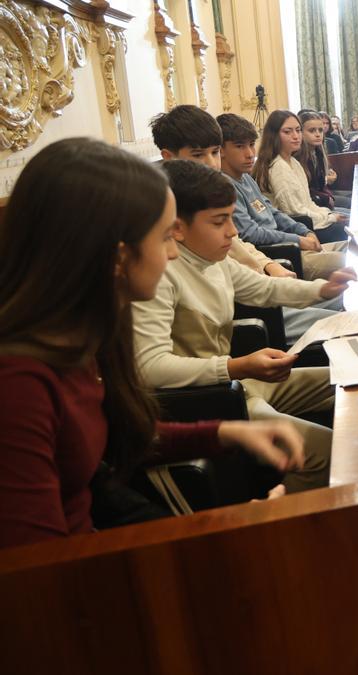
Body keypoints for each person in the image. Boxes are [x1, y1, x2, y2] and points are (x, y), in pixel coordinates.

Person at [0, 138, 308, 548]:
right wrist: (232, 531)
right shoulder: (19, 384)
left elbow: (120, 437)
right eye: (165, 237)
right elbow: (41, 577)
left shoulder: (86, 339)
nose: (173, 255)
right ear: (116, 256)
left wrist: (226, 433)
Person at [134, 160, 356, 494]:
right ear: (178, 228)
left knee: (350, 377)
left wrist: (321, 290)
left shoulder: (213, 257)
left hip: (237, 383)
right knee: (322, 450)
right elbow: (150, 367)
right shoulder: (159, 275)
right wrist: (236, 366)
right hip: (206, 401)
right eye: (219, 221)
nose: (233, 231)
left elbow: (264, 288)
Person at [149, 104, 291, 281]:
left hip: (256, 276)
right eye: (198, 155)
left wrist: (267, 264)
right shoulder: (170, 208)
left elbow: (236, 243)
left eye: (215, 152)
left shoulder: (207, 191)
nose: (212, 164)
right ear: (169, 157)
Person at [218, 113, 347, 281]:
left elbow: (273, 212)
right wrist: (298, 240)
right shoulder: (225, 187)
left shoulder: (246, 178)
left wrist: (304, 231)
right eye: (240, 146)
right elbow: (250, 233)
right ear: (221, 151)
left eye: (251, 145)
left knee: (356, 245)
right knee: (354, 260)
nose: (250, 153)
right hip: (278, 252)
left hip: (290, 241)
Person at [253, 110, 347, 241]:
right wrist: (330, 218)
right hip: (296, 229)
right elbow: (294, 212)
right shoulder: (278, 166)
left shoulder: (293, 162)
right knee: (347, 230)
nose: (296, 136)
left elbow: (308, 203)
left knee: (348, 221)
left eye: (298, 130)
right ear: (274, 135)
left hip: (307, 222)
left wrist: (329, 214)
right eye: (287, 132)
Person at [297, 110, 340, 210]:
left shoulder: (317, 152)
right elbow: (307, 191)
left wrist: (329, 197)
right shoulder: (299, 157)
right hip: (312, 207)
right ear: (301, 132)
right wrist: (327, 198)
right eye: (312, 130)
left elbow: (321, 185)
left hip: (323, 200)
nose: (318, 134)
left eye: (320, 130)